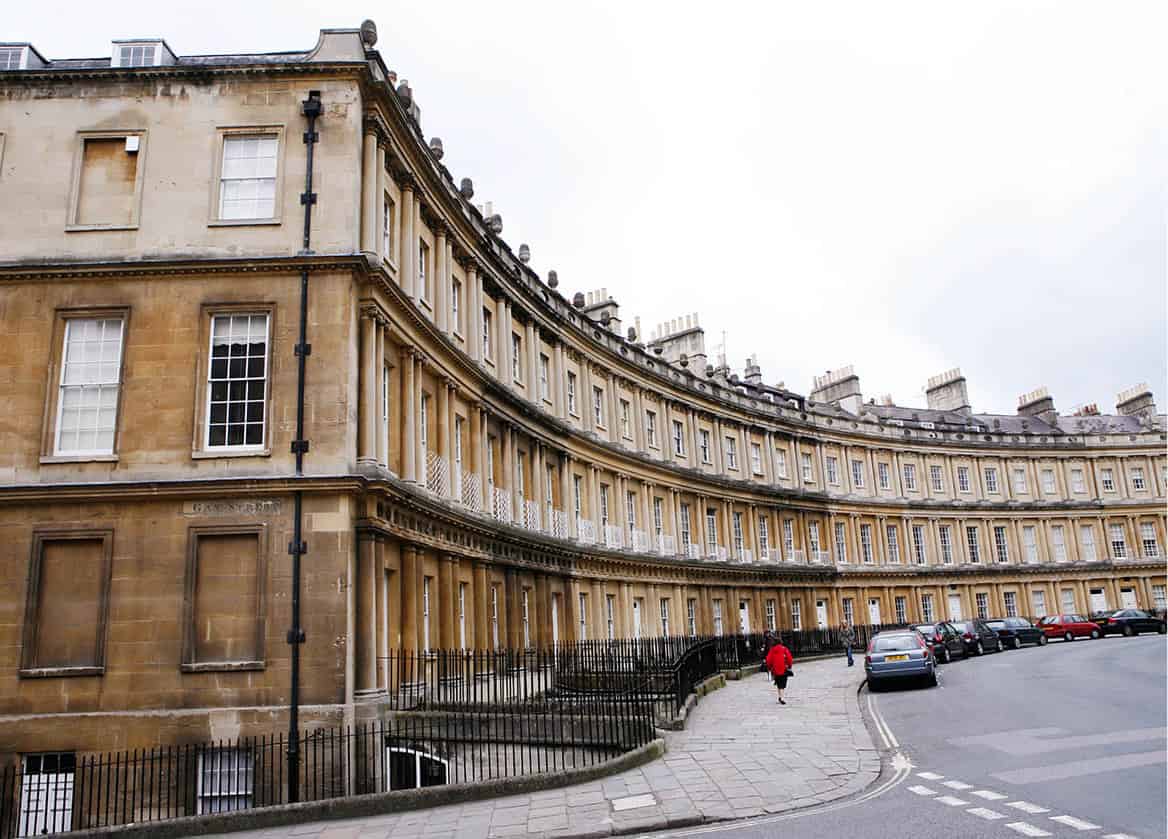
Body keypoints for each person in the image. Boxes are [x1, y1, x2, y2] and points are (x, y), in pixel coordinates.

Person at [764, 635, 794, 704]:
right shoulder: (784, 649)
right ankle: (782, 697)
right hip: (784, 668)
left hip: (775, 669)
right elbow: (789, 658)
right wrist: (789, 666)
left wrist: (769, 667)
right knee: (782, 684)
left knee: (778, 683)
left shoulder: (772, 650)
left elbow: (768, 660)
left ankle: (780, 696)